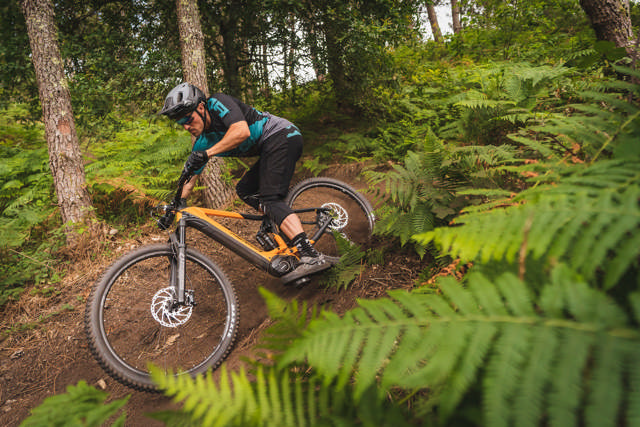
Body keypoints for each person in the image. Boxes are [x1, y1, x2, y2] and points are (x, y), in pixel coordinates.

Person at [159, 82, 331, 284]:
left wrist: (207, 154)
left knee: (270, 199)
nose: (186, 127)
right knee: (245, 190)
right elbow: (188, 181)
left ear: (201, 107)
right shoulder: (202, 142)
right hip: (268, 148)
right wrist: (173, 207)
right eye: (181, 123)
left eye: (188, 119)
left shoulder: (216, 103)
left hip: (282, 134)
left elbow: (241, 131)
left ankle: (311, 255)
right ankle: (277, 221)